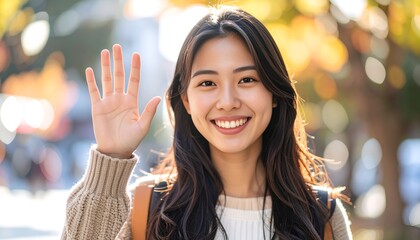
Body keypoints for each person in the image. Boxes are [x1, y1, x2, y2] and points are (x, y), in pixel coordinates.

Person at [61, 6, 352, 240]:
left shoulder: (321, 214)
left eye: (247, 79)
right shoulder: (149, 208)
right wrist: (111, 158)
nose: (227, 101)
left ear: (274, 94)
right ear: (185, 101)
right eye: (208, 83)